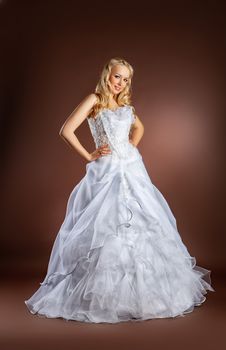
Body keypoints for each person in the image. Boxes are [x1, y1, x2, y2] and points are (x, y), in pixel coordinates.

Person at [24, 57, 215, 324]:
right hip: (106, 171)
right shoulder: (94, 100)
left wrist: (129, 148)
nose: (121, 83)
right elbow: (66, 130)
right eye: (117, 77)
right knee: (105, 226)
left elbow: (139, 128)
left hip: (132, 168)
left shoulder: (126, 106)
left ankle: (143, 296)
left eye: (126, 79)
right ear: (106, 76)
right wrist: (89, 155)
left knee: (144, 223)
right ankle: (100, 297)